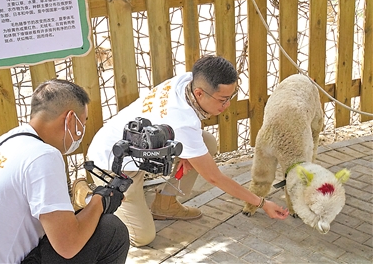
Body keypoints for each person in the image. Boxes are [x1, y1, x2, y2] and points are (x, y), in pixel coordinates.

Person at [76, 55, 289, 247]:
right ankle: (87, 197)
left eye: (231, 98)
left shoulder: (187, 80)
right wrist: (262, 202)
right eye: (223, 100)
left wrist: (189, 153)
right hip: (114, 164)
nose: (227, 106)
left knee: (206, 143)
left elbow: (189, 128)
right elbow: (215, 178)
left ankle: (165, 204)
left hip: (145, 147)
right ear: (199, 92)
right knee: (142, 238)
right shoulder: (182, 122)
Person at [0, 79, 130, 263]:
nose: (81, 132)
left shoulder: (9, 140)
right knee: (111, 231)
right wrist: (100, 200)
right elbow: (68, 245)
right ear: (70, 119)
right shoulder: (43, 155)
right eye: (83, 123)